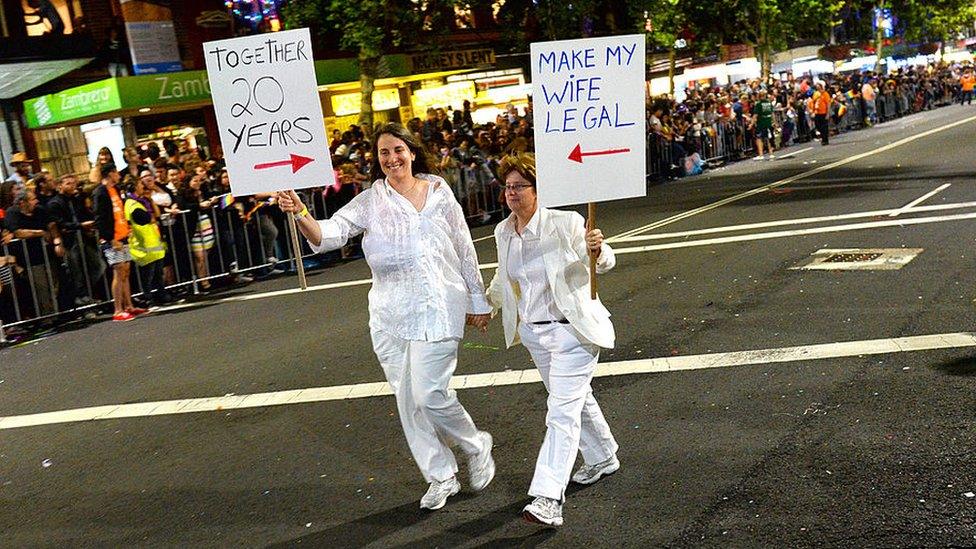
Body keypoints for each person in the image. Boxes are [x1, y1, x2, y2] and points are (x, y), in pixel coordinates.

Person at [275, 122, 495, 511]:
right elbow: (330, 233)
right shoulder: (370, 200)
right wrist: (300, 211)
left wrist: (477, 299)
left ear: (412, 152)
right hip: (390, 314)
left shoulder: (440, 192)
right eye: (383, 153)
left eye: (398, 150)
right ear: (377, 160)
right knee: (408, 400)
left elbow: (463, 246)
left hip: (440, 304)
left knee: (430, 394)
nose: (392, 159)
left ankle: (475, 444)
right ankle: (441, 476)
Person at [485, 153, 619, 527]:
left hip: (572, 332)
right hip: (535, 333)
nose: (511, 193)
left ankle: (547, 497)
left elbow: (604, 262)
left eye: (519, 186)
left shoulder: (566, 223)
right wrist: (485, 307)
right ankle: (603, 455)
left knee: (561, 411)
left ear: (537, 188)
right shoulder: (502, 231)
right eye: (506, 187)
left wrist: (598, 248)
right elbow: (503, 279)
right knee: (575, 400)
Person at [92, 163, 144, 321]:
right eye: (116, 172)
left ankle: (129, 305)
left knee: (126, 271)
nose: (119, 175)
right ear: (109, 174)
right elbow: (99, 219)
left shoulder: (115, 190)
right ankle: (118, 309)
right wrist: (110, 238)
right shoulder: (100, 192)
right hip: (112, 239)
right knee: (118, 271)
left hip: (122, 236)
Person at [751, 90, 776, 160]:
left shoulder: (758, 104)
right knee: (768, 137)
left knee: (759, 138)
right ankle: (771, 153)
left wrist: (751, 124)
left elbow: (755, 115)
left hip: (761, 122)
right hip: (768, 121)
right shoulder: (769, 103)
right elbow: (772, 114)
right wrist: (775, 122)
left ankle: (761, 154)